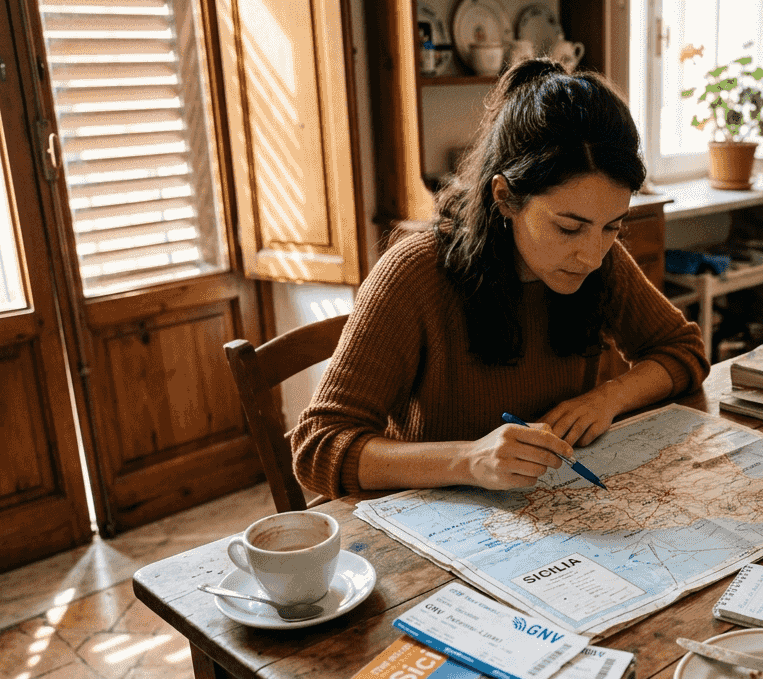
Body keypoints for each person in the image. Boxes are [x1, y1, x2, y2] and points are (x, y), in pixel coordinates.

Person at [292, 60, 707, 498]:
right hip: (436, 524)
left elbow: (683, 351)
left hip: (550, 513)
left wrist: (608, 398)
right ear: (506, 198)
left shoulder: (601, 257)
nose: (591, 255)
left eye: (613, 226)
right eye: (568, 227)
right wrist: (469, 459)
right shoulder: (415, 274)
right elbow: (317, 446)